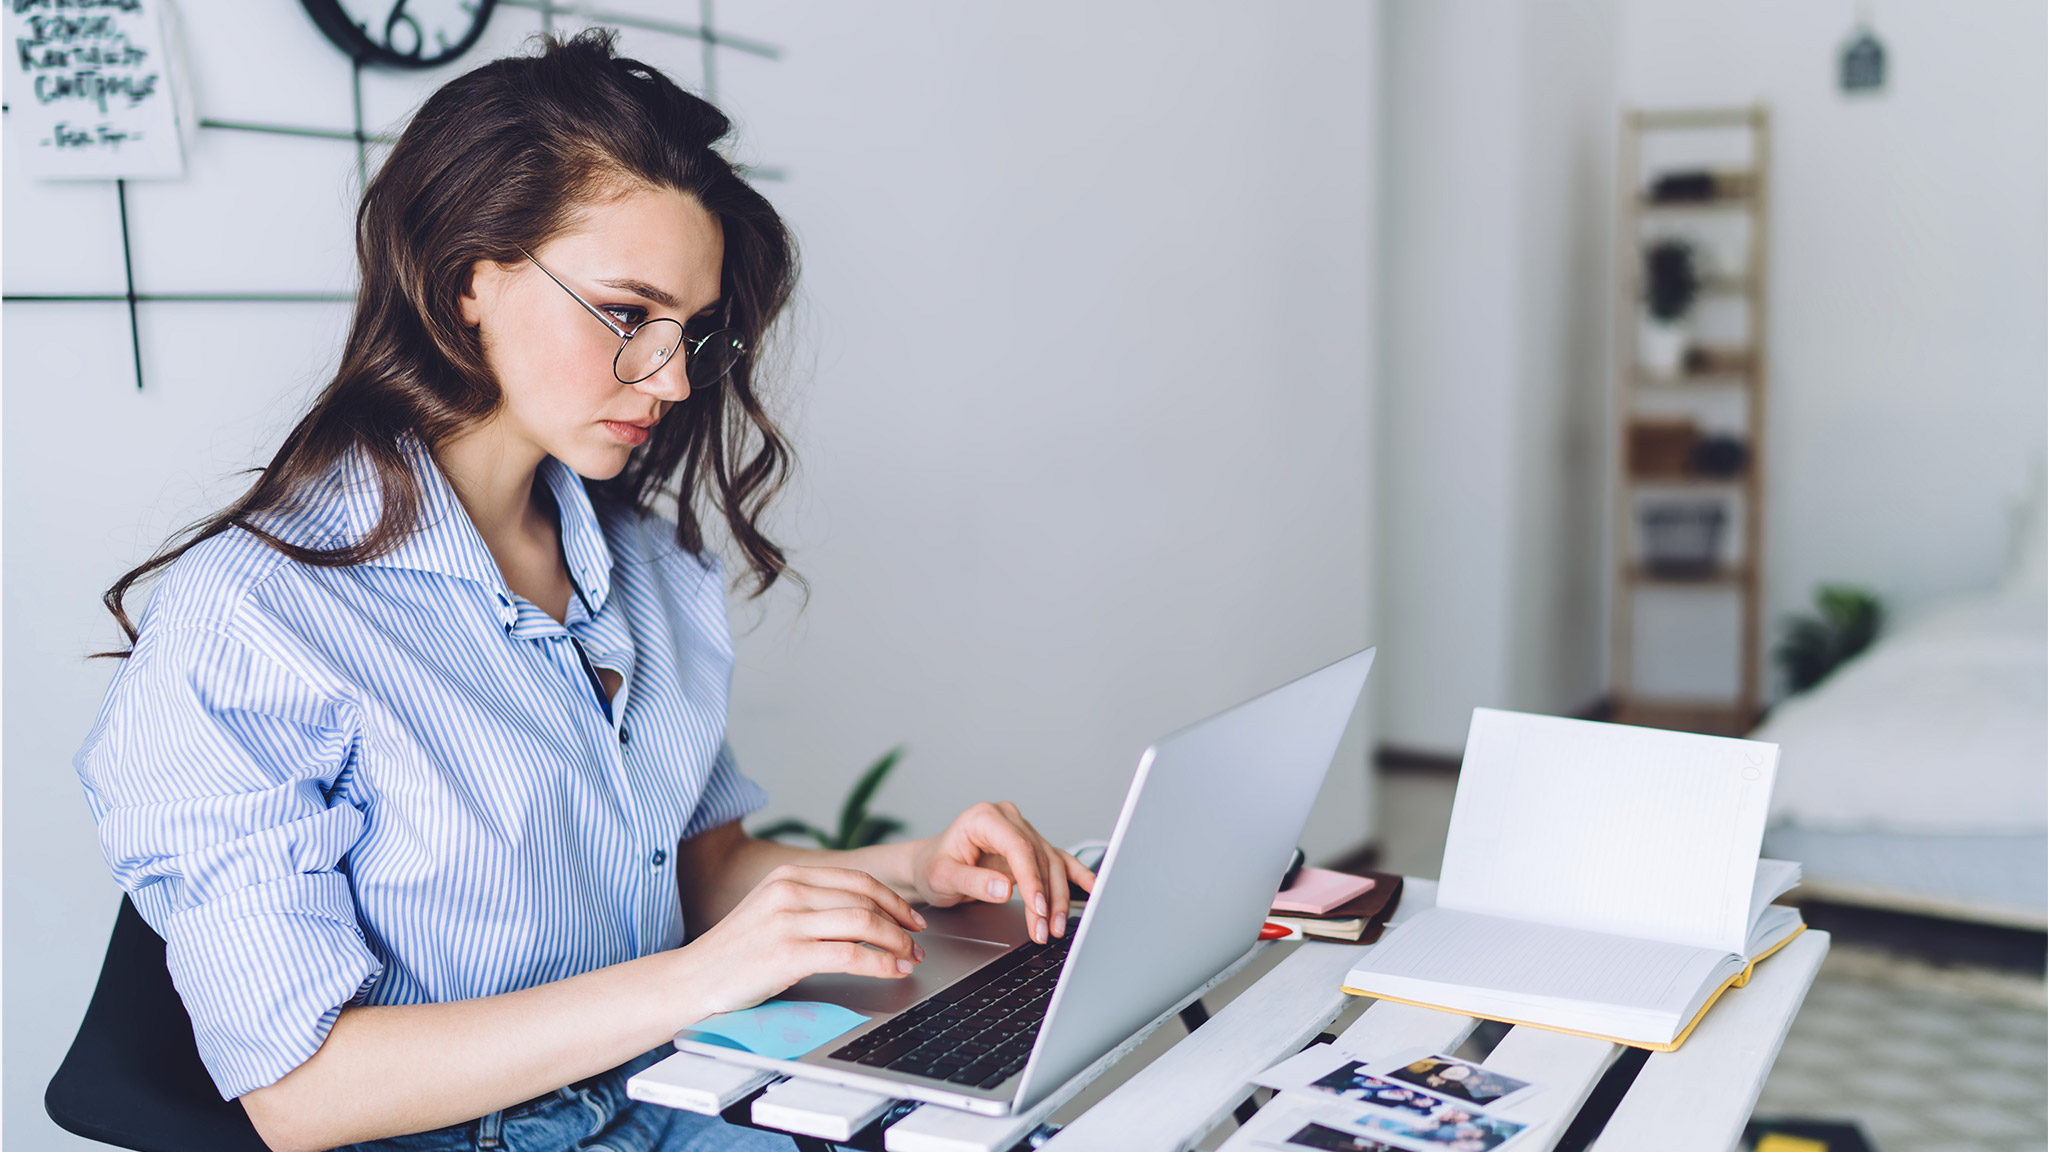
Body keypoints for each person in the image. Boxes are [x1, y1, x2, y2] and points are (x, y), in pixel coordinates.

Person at [74, 30, 1091, 1152]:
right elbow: (302, 1091)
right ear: (470, 278)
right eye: (625, 313)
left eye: (690, 332)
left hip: (668, 1097)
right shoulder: (255, 618)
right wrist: (696, 983)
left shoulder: (641, 564)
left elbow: (695, 871)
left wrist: (911, 869)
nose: (667, 377)